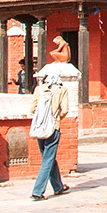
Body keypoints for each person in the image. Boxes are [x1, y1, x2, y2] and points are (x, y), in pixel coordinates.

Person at [29, 40, 77, 200]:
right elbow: (65, 110)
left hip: (39, 126)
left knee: (48, 157)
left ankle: (58, 186)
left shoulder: (39, 89)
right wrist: (55, 119)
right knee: (48, 159)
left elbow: (32, 108)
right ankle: (37, 191)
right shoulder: (61, 90)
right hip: (53, 127)